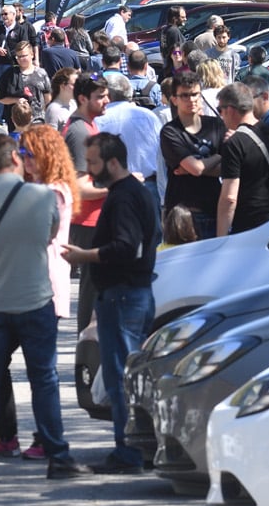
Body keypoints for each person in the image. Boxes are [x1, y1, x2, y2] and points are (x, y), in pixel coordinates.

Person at [0, 134, 91, 483]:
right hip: (34, 298)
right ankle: (57, 454)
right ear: (15, 160)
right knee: (43, 379)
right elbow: (49, 235)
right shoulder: (42, 196)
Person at [61, 132, 158, 475]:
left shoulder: (125, 197)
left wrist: (84, 255)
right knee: (127, 375)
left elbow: (126, 247)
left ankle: (129, 452)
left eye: (93, 163)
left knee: (122, 376)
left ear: (113, 162)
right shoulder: (131, 192)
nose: (89, 171)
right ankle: (133, 447)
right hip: (128, 293)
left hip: (124, 295)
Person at [215, 82, 269, 238]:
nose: (221, 116)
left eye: (220, 110)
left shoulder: (234, 144)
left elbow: (229, 198)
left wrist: (220, 238)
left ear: (230, 110)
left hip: (250, 226)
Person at [63, 74, 109, 331]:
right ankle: (87, 346)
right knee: (92, 290)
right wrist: (117, 185)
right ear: (82, 99)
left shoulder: (88, 125)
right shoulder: (80, 131)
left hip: (94, 220)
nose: (107, 100)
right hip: (87, 222)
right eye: (100, 97)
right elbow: (80, 188)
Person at [160, 70, 225, 241]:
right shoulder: (170, 131)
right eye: (185, 95)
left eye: (195, 94)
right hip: (184, 215)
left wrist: (195, 168)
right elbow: (196, 169)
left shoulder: (216, 125)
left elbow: (229, 167)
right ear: (174, 99)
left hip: (214, 210)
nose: (191, 100)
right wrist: (218, 157)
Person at [95, 72, 165, 212]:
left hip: (115, 189)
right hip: (148, 187)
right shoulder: (148, 116)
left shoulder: (98, 121)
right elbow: (162, 152)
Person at [0, 40, 52, 130]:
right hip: (17, 126)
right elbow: (0, 98)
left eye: (24, 56)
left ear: (32, 55)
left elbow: (47, 98)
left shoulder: (41, 73)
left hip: (39, 122)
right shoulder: (10, 74)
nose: (21, 59)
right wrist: (16, 100)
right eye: (18, 56)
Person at [45, 67, 79, 131]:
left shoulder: (74, 104)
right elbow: (51, 136)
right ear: (63, 86)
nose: (78, 87)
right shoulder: (53, 110)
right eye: (74, 84)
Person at [159, 5, 188, 75]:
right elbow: (177, 49)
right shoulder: (174, 31)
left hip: (167, 66)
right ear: (175, 19)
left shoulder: (165, 30)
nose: (185, 19)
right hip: (175, 67)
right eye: (182, 17)